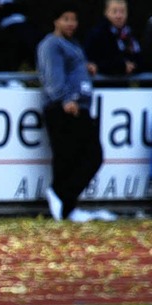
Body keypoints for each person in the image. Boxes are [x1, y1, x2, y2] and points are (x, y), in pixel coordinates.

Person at [37, 2, 116, 223]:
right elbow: (52, 76)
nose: (71, 24)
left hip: (78, 106)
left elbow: (71, 69)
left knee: (76, 157)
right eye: (66, 19)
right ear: (56, 21)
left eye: (73, 19)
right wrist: (64, 99)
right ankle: (61, 196)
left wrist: (86, 67)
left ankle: (66, 205)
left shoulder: (72, 44)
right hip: (65, 108)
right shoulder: (52, 44)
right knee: (86, 155)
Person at [84, 0, 142, 77]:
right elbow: (94, 62)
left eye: (122, 12)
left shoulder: (131, 33)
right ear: (106, 13)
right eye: (114, 12)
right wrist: (122, 66)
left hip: (131, 79)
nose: (119, 16)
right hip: (104, 80)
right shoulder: (97, 34)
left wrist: (133, 65)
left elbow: (139, 57)